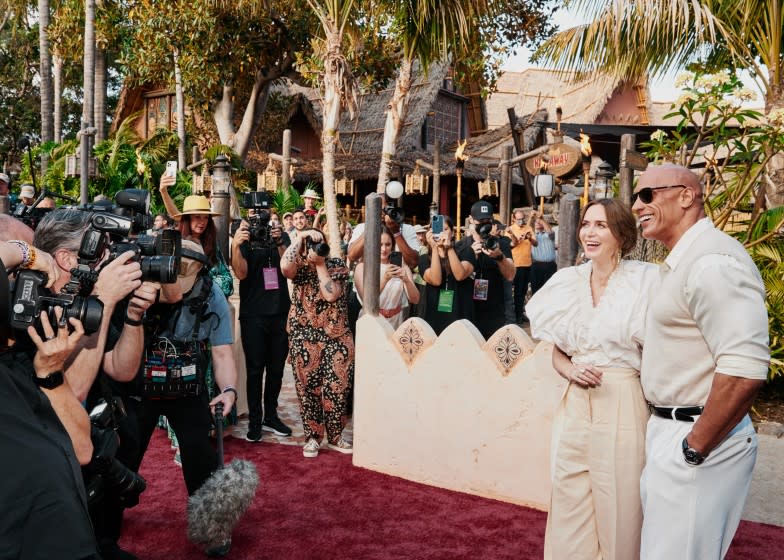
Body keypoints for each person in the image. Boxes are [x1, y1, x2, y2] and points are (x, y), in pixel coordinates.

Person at [632, 164, 769, 560]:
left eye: (647, 195)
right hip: (674, 430)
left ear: (687, 196)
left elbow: (744, 369)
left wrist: (694, 448)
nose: (638, 205)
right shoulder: (686, 260)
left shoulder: (712, 262)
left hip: (697, 437)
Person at [526, 198, 658, 560]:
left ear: (621, 234)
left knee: (620, 503)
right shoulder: (566, 281)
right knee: (568, 498)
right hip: (574, 404)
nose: (590, 232)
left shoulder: (645, 280)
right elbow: (557, 349)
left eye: (601, 225)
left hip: (622, 398)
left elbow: (660, 350)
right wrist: (570, 370)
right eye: (586, 224)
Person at [126, 240, 239, 555]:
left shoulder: (211, 294)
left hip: (187, 386)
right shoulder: (136, 283)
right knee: (123, 452)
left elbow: (222, 351)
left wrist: (228, 389)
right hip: (139, 382)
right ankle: (104, 518)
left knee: (200, 456)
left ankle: (212, 526)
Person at [281, 228, 354, 458]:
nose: (314, 245)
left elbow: (331, 295)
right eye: (310, 242)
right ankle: (312, 437)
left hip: (336, 336)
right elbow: (285, 268)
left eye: (318, 240)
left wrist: (320, 264)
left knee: (337, 389)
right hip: (304, 336)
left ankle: (335, 436)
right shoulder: (298, 265)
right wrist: (300, 238)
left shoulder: (336, 265)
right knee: (307, 390)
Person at [231, 191, 292, 442]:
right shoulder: (242, 236)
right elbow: (241, 273)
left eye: (263, 210)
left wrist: (279, 242)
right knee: (255, 370)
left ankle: (271, 416)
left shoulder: (281, 234)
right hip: (253, 313)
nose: (258, 216)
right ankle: (255, 421)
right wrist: (236, 244)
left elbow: (289, 270)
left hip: (279, 311)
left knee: (276, 369)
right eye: (254, 211)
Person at [456, 201, 514, 339]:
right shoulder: (460, 246)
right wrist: (470, 255)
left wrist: (500, 257)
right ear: (471, 219)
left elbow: (511, 275)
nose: (484, 225)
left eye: (488, 221)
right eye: (480, 221)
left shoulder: (500, 244)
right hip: (466, 313)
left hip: (494, 314)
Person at [419, 216, 476, 335]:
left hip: (460, 312)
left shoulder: (466, 251)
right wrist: (435, 248)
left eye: (445, 229)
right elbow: (436, 280)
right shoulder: (424, 259)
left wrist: (448, 247)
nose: (441, 233)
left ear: (453, 232)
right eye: (437, 230)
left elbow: (460, 275)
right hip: (435, 315)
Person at [354, 227, 420, 329]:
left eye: (388, 244)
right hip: (371, 321)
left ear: (392, 246)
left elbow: (415, 299)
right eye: (380, 244)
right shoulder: (363, 267)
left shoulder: (401, 265)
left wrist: (406, 280)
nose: (384, 249)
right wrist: (385, 279)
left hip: (396, 322)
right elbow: (366, 299)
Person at [506, 208, 536, 324]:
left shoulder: (528, 228)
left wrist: (529, 238)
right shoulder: (510, 230)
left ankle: (519, 314)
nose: (521, 221)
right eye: (518, 219)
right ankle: (514, 316)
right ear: (514, 219)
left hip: (527, 264)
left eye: (522, 218)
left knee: (522, 292)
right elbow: (509, 246)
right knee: (514, 292)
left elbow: (536, 243)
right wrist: (516, 238)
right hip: (514, 264)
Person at [530, 214, 557, 294]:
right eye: (536, 222)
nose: (538, 223)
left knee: (549, 290)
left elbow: (550, 231)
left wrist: (541, 219)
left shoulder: (549, 235)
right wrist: (532, 217)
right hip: (536, 266)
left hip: (550, 265)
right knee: (536, 291)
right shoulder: (532, 235)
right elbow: (528, 228)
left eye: (540, 222)